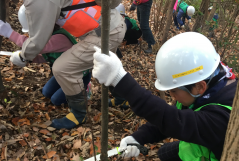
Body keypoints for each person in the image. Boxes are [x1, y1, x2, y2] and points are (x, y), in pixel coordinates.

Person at [92, 32, 237, 161]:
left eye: (174, 91)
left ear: (200, 87)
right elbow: (173, 118)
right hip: (209, 145)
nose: (172, 96)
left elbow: (175, 121)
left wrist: (120, 80)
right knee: (164, 153)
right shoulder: (212, 84)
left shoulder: (224, 116)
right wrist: (138, 138)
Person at [8, 0, 126, 130]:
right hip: (110, 25)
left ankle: (78, 114)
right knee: (107, 66)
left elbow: (38, 39)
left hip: (105, 31)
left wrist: (23, 56)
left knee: (62, 68)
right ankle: (123, 97)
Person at [0, 5, 92, 106]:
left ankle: (84, 89)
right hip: (63, 74)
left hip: (78, 75)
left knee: (56, 100)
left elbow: (34, 46)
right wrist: (29, 59)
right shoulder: (48, 37)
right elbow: (47, 56)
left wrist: (9, 33)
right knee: (46, 92)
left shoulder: (58, 38)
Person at [109, 3, 143, 109]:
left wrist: (124, 42)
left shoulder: (125, 22)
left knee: (111, 72)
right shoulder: (114, 20)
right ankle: (120, 97)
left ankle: (123, 98)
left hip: (135, 33)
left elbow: (122, 33)